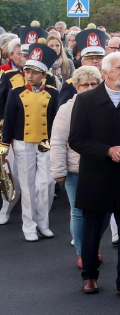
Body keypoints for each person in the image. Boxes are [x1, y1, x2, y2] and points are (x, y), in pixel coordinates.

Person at [69, 52, 120, 298]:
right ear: (104, 73)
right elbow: (76, 140)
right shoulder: (86, 101)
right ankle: (90, 276)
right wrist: (107, 151)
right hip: (96, 174)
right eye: (119, 67)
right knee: (92, 229)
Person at [52, 65, 118, 268]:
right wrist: (59, 171)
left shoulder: (108, 105)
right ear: (76, 87)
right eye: (84, 85)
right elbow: (58, 141)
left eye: (94, 84)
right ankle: (82, 252)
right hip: (76, 170)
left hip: (105, 167)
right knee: (79, 212)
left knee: (106, 210)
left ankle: (93, 245)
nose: (89, 88)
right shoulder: (67, 109)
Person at [1, 44, 57, 240]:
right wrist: (4, 144)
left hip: (45, 142)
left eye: (35, 72)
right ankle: (29, 226)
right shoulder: (15, 93)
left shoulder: (52, 93)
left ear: (44, 75)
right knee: (27, 185)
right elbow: (8, 120)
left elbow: (55, 121)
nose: (30, 75)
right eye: (28, 71)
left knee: (47, 184)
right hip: (23, 142)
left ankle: (43, 222)